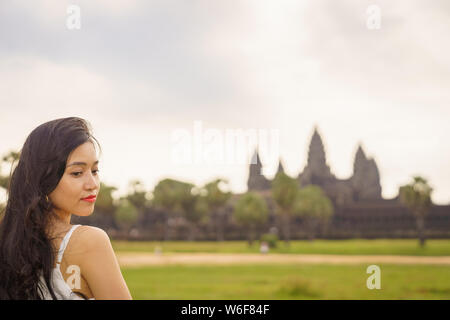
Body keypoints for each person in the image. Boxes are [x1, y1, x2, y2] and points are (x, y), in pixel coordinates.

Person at [0, 117, 132, 300]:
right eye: (77, 173)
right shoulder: (90, 241)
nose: (92, 184)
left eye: (94, 171)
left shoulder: (9, 244)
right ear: (44, 180)